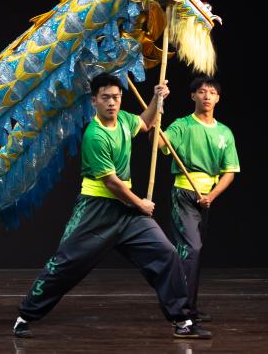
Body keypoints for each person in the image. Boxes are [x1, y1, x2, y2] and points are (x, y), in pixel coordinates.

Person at [12, 73, 210, 339]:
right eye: (105, 98)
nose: (112, 103)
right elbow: (112, 183)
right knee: (65, 265)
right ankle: (25, 315)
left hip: (127, 213)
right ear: (94, 100)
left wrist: (157, 98)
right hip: (97, 210)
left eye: (116, 97)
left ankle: (182, 321)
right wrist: (140, 203)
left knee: (166, 254)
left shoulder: (125, 120)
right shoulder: (95, 135)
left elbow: (144, 121)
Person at [161, 77, 239, 323]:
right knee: (191, 250)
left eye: (212, 92)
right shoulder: (182, 125)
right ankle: (181, 311)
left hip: (207, 197)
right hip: (184, 193)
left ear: (218, 98)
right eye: (202, 91)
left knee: (193, 253)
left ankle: (189, 308)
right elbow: (160, 144)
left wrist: (212, 196)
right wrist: (158, 109)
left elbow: (230, 171)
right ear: (192, 96)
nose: (207, 96)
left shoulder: (224, 132)